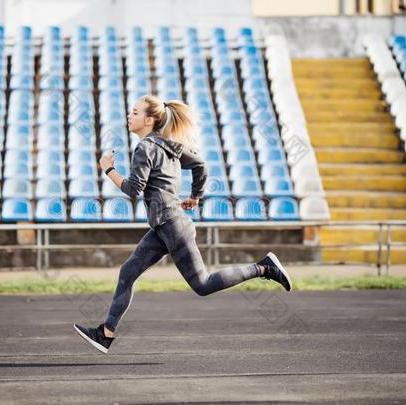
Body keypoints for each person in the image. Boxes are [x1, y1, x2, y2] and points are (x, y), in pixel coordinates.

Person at [74, 95, 291, 354]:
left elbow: (133, 189)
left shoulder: (145, 148)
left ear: (148, 119)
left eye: (134, 112)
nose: (129, 116)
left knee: (203, 284)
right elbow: (200, 164)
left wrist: (108, 169)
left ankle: (263, 268)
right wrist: (195, 197)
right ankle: (106, 333)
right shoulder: (169, 146)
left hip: (172, 225)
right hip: (165, 225)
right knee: (128, 272)